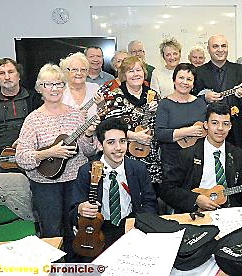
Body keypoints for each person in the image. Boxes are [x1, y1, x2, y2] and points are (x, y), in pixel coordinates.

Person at [15, 63, 98, 261]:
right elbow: (21, 157)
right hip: (45, 185)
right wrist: (48, 153)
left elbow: (89, 151)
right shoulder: (33, 120)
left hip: (75, 181)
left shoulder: (76, 115)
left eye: (59, 84)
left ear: (64, 86)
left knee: (76, 227)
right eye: (48, 84)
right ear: (39, 88)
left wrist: (87, 135)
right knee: (52, 229)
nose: (54, 89)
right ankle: (55, 268)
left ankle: (77, 266)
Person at [70, 117, 157, 261]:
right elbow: (72, 213)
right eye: (111, 142)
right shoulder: (86, 171)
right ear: (100, 144)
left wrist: (140, 226)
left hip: (131, 225)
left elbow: (150, 203)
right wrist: (80, 210)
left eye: (122, 141)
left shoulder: (138, 168)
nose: (118, 148)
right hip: (99, 229)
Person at [160, 102, 242, 213]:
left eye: (225, 124)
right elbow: (166, 189)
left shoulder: (236, 153)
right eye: (215, 123)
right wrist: (195, 199)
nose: (220, 128)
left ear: (230, 126)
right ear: (206, 125)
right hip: (196, 213)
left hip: (228, 213)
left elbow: (240, 191)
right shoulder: (188, 154)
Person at [101, 56, 162, 192]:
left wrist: (158, 111)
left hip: (151, 159)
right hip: (123, 157)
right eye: (131, 71)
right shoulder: (114, 96)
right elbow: (108, 126)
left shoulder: (154, 95)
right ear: (124, 75)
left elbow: (163, 125)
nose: (136, 74)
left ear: (144, 73)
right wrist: (134, 136)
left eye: (138, 70)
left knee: (149, 200)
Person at [0, 58, 42, 174]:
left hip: (31, 158)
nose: (7, 77)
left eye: (11, 72)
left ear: (19, 75)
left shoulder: (35, 99)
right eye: (1, 73)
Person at [194, 34, 242, 151]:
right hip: (208, 131)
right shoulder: (198, 72)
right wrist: (204, 98)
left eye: (223, 46)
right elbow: (192, 101)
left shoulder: (241, 70)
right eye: (215, 46)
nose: (220, 50)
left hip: (235, 131)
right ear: (208, 49)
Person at [155, 63, 207, 173]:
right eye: (181, 78)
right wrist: (188, 131)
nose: (184, 82)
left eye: (189, 79)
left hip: (196, 160)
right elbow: (160, 134)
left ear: (193, 84)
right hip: (172, 161)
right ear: (174, 80)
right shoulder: (164, 104)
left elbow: (205, 130)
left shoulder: (200, 103)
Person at [59, 52, 100, 118]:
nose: (79, 73)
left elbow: (103, 113)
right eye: (74, 70)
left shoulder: (95, 88)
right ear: (66, 72)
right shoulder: (60, 91)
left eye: (83, 70)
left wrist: (101, 104)